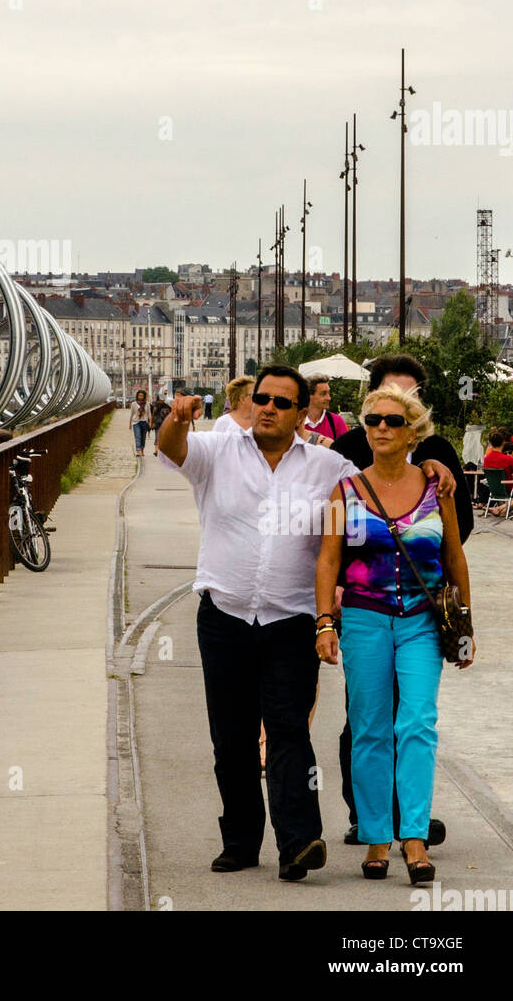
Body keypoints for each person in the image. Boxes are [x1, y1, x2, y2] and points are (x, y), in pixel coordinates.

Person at [157, 367, 357, 881]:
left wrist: (430, 467)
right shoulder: (218, 451)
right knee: (232, 736)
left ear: (300, 413)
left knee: (290, 731)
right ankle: (241, 842)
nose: (267, 407)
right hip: (224, 615)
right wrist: (177, 420)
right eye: (262, 398)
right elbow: (172, 449)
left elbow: (378, 483)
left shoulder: (328, 466)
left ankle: (299, 843)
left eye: (281, 402)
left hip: (292, 620)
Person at [316, 385, 474, 884]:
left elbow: (453, 556)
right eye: (373, 420)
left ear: (412, 432)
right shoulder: (346, 490)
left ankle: (414, 838)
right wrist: (324, 622)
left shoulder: (437, 486)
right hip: (364, 618)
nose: (381, 427)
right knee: (369, 728)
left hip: (423, 623)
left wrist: (465, 625)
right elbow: (329, 559)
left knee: (419, 724)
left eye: (392, 420)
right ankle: (376, 839)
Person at [302, 376, 349, 444]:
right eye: (323, 394)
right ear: (309, 396)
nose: (329, 398)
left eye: (328, 393)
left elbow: (345, 451)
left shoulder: (336, 421)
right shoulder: (296, 422)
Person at [129, 389, 150, 457]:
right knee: (138, 437)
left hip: (144, 422)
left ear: (144, 396)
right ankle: (138, 451)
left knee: (143, 438)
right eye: (139, 395)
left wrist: (150, 423)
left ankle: (142, 449)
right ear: (137, 396)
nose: (140, 397)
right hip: (136, 422)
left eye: (142, 395)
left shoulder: (147, 403)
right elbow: (131, 414)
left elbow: (149, 414)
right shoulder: (133, 404)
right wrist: (130, 423)